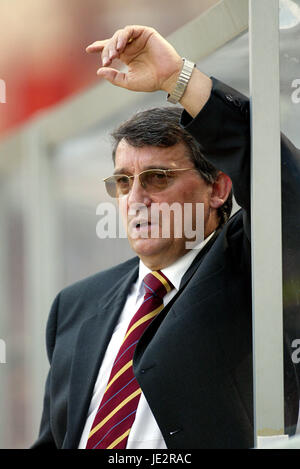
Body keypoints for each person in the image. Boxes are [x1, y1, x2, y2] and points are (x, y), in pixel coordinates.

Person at [33, 25, 300, 449]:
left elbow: (281, 182)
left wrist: (179, 79)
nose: (136, 199)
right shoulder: (75, 305)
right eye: (123, 182)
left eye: (157, 178)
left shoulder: (251, 268)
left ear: (218, 188)